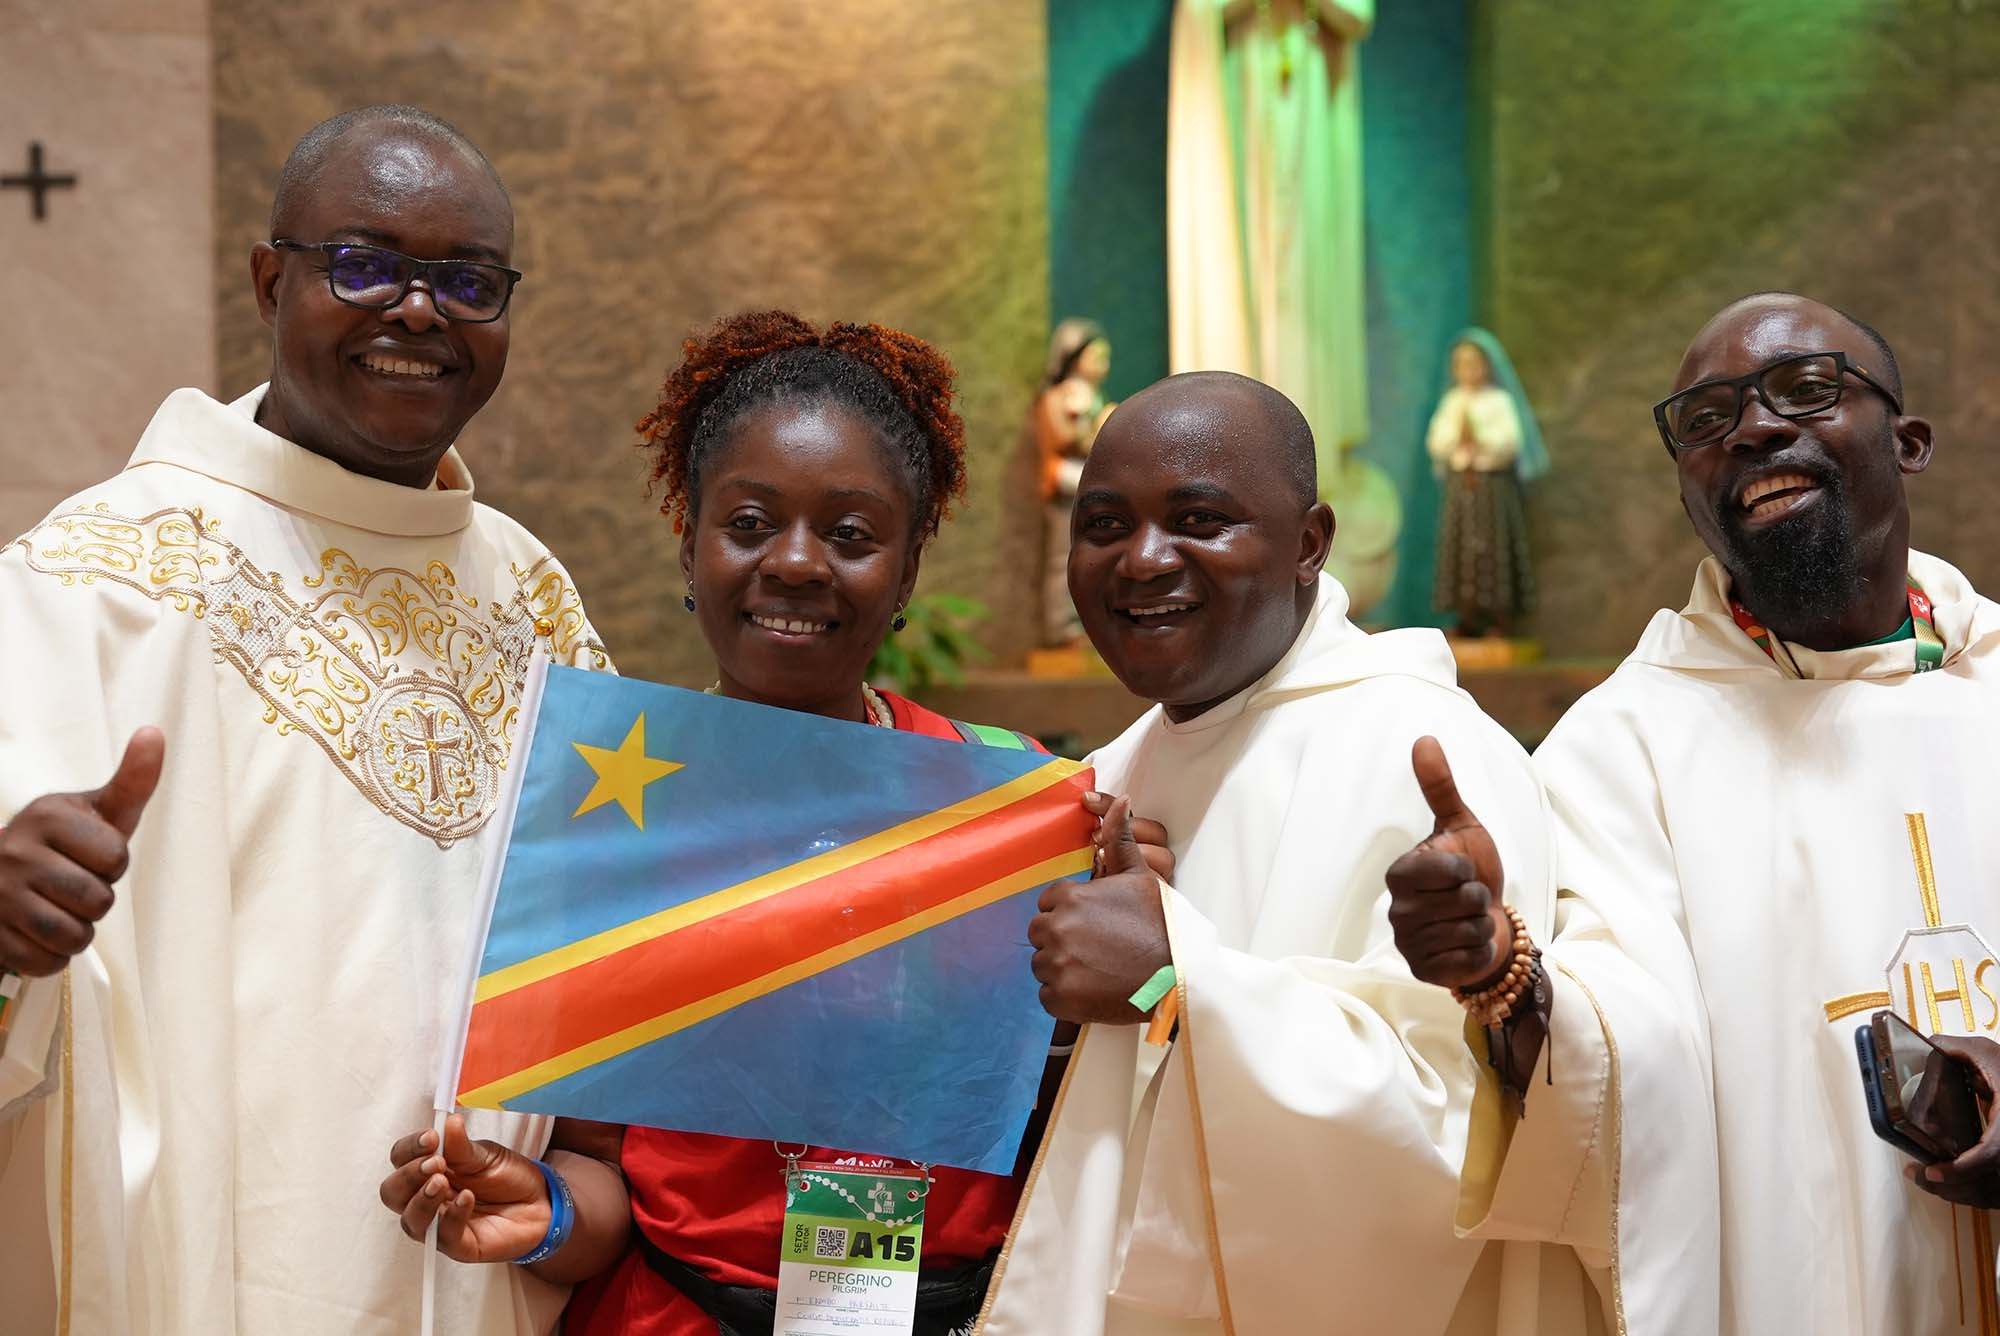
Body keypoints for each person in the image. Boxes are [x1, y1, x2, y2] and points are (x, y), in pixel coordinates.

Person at [378, 311, 1172, 1336]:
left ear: (907, 570)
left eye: (850, 535)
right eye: (750, 523)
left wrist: (1158, 955)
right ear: (690, 546)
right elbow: (605, 1174)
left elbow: (1104, 1102)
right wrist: (545, 1211)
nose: (796, 562)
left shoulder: (1010, 806)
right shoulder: (611, 812)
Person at [0, 106, 607, 1334]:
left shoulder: (535, 601)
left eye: (468, 282)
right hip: (196, 1270)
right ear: (271, 282)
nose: (419, 311)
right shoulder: (91, 581)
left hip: (462, 1267)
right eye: (365, 265)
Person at [1383, 292, 2000, 1334]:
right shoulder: (1621, 748)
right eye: (1706, 419)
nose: (1753, 428)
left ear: (1908, 441)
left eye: (1804, 388)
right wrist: (1501, 972)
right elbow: (1622, 1057)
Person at [978, 370, 1609, 1334]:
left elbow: (1463, 1140)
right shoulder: (1112, 771)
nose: (1142, 559)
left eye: (1198, 519)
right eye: (1103, 525)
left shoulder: (1423, 751)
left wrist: (1173, 977)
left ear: (1310, 543)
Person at [1425, 329, 1549, 638]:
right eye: (1461, 363)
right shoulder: (1452, 400)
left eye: (1474, 362)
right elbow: (1437, 441)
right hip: (1460, 487)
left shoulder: (1499, 401)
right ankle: (1467, 618)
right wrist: (1456, 438)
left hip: (1491, 487)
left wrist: (1478, 437)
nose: (1468, 369)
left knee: (1494, 549)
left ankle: (1497, 619)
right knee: (1461, 551)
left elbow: (1510, 441)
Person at [1032, 318, 1116, 647]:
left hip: (1093, 485)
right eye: (1095, 356)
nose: (1102, 363)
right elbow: (1061, 437)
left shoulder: (1095, 396)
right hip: (1065, 481)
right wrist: (1094, 428)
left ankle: (1089, 624)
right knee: (1062, 558)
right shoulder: (1057, 397)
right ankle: (1061, 628)